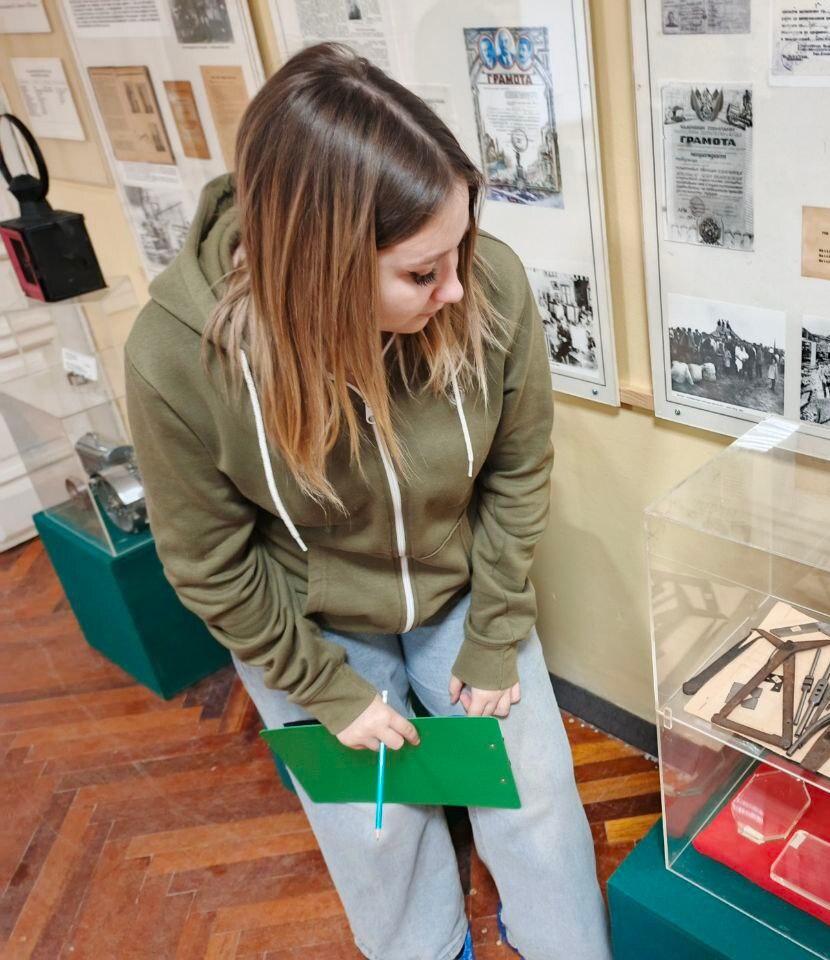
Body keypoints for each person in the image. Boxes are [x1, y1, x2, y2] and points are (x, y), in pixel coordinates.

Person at [123, 43, 610, 960]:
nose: (458, 288)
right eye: (422, 274)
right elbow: (210, 562)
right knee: (375, 824)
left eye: (460, 249)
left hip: (461, 586)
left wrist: (496, 629)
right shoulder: (175, 355)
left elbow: (518, 468)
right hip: (306, 616)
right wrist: (326, 690)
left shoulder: (485, 285)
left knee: (532, 784)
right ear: (320, 270)